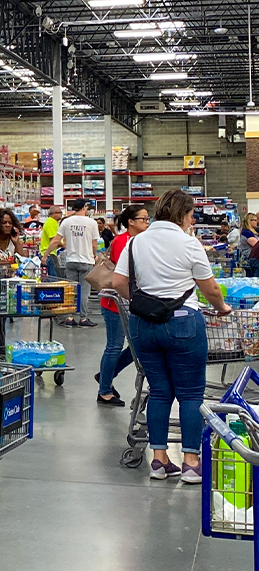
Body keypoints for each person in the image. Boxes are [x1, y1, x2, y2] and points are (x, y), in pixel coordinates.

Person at [109, 189, 231, 483]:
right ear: (185, 215)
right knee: (190, 394)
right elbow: (210, 289)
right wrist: (222, 308)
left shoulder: (135, 242)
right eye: (191, 215)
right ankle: (190, 462)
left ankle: (159, 461)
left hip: (143, 326)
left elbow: (118, 282)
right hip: (183, 324)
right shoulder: (189, 244)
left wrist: (144, 304)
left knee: (160, 391)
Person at [96, 205, 149, 407]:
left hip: (131, 302)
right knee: (114, 345)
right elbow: (122, 274)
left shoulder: (141, 241)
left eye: (147, 218)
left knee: (136, 345)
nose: (147, 222)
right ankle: (104, 390)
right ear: (131, 222)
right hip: (115, 302)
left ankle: (106, 375)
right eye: (143, 219)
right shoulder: (121, 241)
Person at [53, 198, 100, 326]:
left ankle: (69, 317)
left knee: (70, 291)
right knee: (84, 291)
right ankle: (83, 318)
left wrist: (45, 255)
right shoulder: (92, 223)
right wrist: (94, 255)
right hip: (86, 261)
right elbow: (94, 244)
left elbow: (56, 240)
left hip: (71, 260)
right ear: (84, 207)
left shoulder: (66, 222)